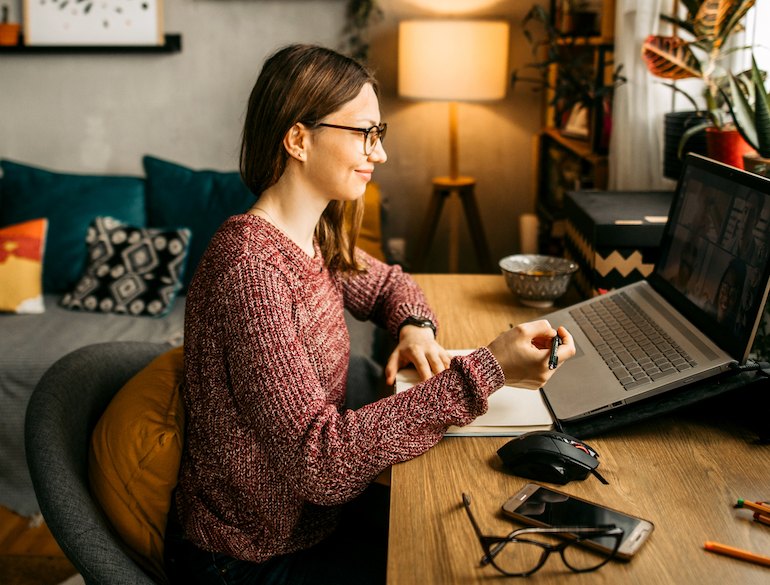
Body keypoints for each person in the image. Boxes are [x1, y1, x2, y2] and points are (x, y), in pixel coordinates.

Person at [164, 44, 577, 585]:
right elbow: (321, 463)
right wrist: (487, 370)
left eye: (379, 134)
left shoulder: (312, 239)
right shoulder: (250, 270)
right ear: (298, 139)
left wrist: (415, 327)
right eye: (364, 133)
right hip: (248, 558)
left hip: (315, 523)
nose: (378, 154)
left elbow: (388, 283)